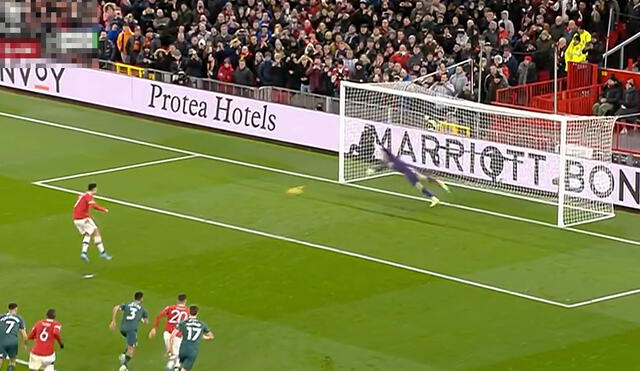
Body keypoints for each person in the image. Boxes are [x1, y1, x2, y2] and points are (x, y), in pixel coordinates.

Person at [366, 146, 449, 207]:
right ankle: (440, 183)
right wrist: (373, 170)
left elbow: (388, 153)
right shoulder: (388, 163)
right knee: (423, 178)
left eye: (383, 156)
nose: (383, 157)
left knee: (419, 186)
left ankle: (434, 198)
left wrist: (382, 148)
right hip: (409, 169)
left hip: (408, 171)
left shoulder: (392, 159)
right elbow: (381, 167)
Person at [148, 294, 189, 371]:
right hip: (178, 335)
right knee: (176, 356)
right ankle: (172, 367)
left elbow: (159, 316)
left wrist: (154, 328)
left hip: (167, 334)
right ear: (185, 301)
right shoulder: (187, 311)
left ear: (177, 300)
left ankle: (172, 365)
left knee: (171, 354)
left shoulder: (170, 308)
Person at [110, 292, 149, 371]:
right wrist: (141, 319)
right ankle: (124, 366)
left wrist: (113, 321)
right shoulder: (143, 310)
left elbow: (116, 308)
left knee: (133, 343)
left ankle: (124, 355)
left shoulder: (127, 305)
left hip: (122, 328)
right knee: (132, 348)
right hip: (131, 330)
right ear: (141, 299)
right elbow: (146, 322)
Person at [73, 183, 111, 262]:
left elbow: (78, 206)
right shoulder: (88, 196)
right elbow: (93, 206)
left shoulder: (81, 195)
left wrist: (88, 215)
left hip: (76, 219)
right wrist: (104, 209)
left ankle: (85, 253)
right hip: (83, 218)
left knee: (88, 233)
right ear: (94, 189)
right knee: (95, 232)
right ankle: (101, 253)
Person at [168, 306, 214, 371]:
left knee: (180, 366)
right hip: (192, 351)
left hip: (182, 350)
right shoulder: (202, 324)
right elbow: (211, 336)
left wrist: (170, 349)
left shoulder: (183, 323)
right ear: (197, 313)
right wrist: (202, 337)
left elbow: (172, 336)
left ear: (189, 312)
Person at [0, 303, 28, 371]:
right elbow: (24, 334)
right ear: (16, 309)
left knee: (0, 359)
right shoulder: (19, 318)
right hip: (13, 342)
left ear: (8, 309)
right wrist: (25, 344)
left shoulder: (1, 317)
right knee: (12, 361)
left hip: (2, 341)